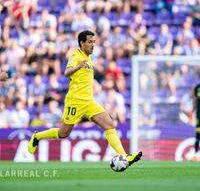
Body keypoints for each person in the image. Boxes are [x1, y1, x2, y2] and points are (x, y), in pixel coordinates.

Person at [28, 30, 142, 167]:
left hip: (89, 101)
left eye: (94, 42)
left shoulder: (89, 57)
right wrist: (77, 66)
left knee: (110, 125)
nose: (93, 45)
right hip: (75, 101)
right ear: (82, 43)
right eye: (90, 42)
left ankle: (125, 156)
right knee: (63, 133)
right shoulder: (76, 55)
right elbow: (66, 73)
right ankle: (37, 137)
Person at [192, 83, 200, 160]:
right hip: (199, 116)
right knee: (198, 134)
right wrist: (193, 109)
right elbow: (194, 99)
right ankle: (196, 153)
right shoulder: (197, 87)